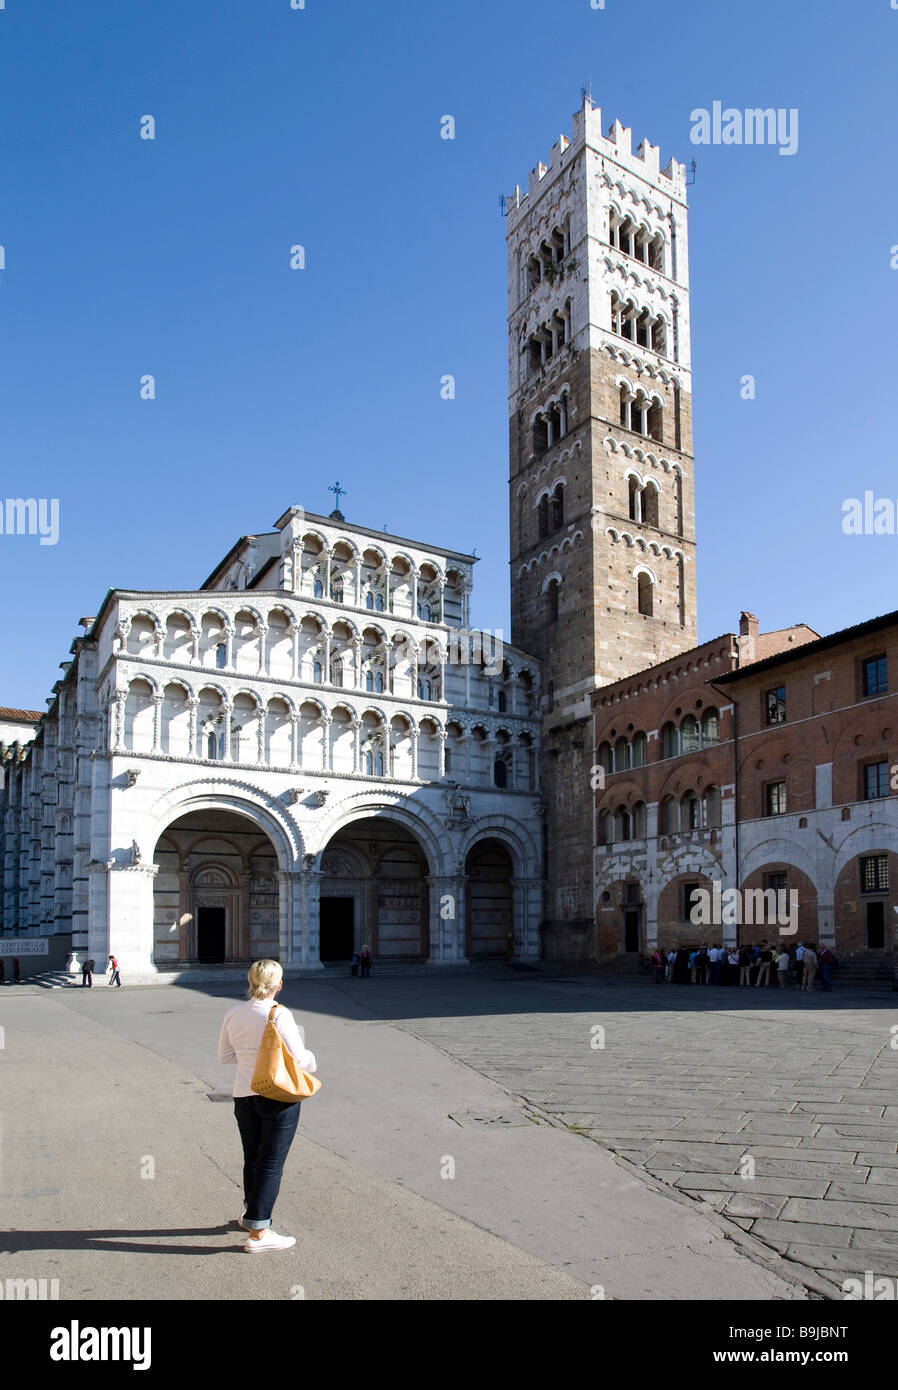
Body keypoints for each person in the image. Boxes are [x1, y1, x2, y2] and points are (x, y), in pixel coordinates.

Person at [218, 959, 318, 1253]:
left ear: (250, 981)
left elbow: (225, 1057)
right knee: (271, 1162)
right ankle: (259, 1233)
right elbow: (300, 1060)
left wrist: (251, 1060)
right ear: (279, 985)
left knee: (253, 1156)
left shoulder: (232, 1013)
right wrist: (312, 1060)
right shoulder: (280, 1014)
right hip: (277, 1095)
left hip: (243, 1094)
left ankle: (250, 1215)